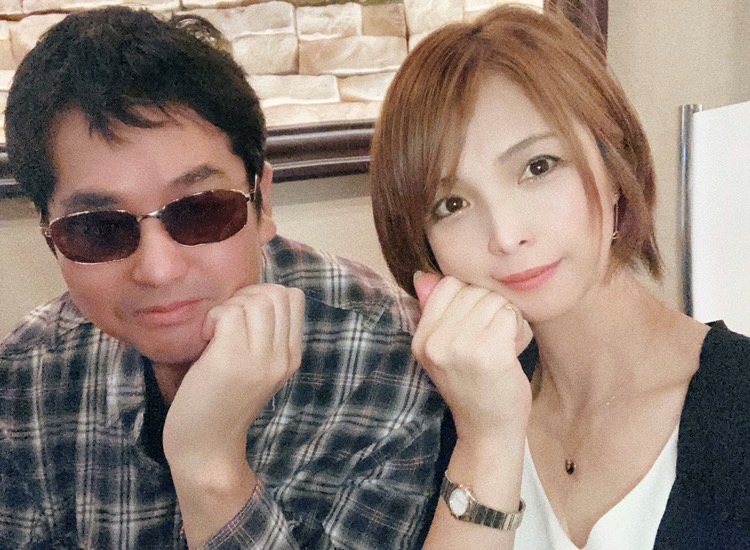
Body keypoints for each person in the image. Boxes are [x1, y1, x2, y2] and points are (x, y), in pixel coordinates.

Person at [0, 7, 444, 549]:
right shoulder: (28, 375)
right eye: (98, 229)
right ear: (51, 237)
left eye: (200, 210)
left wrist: (209, 465)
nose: (158, 269)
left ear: (263, 202)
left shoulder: (389, 358)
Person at [370, 4, 750, 549]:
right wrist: (486, 437)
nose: (505, 235)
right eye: (452, 204)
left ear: (613, 164)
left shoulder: (737, 403)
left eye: (538, 167)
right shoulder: (457, 399)